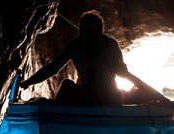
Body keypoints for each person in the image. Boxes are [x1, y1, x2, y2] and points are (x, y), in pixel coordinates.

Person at [16, 10, 150, 105]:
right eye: (83, 31)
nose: (86, 35)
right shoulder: (76, 44)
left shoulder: (108, 45)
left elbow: (124, 74)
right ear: (80, 30)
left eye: (89, 31)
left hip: (108, 98)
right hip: (87, 97)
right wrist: (27, 83)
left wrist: (155, 95)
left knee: (136, 91)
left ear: (99, 31)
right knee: (66, 85)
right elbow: (52, 68)